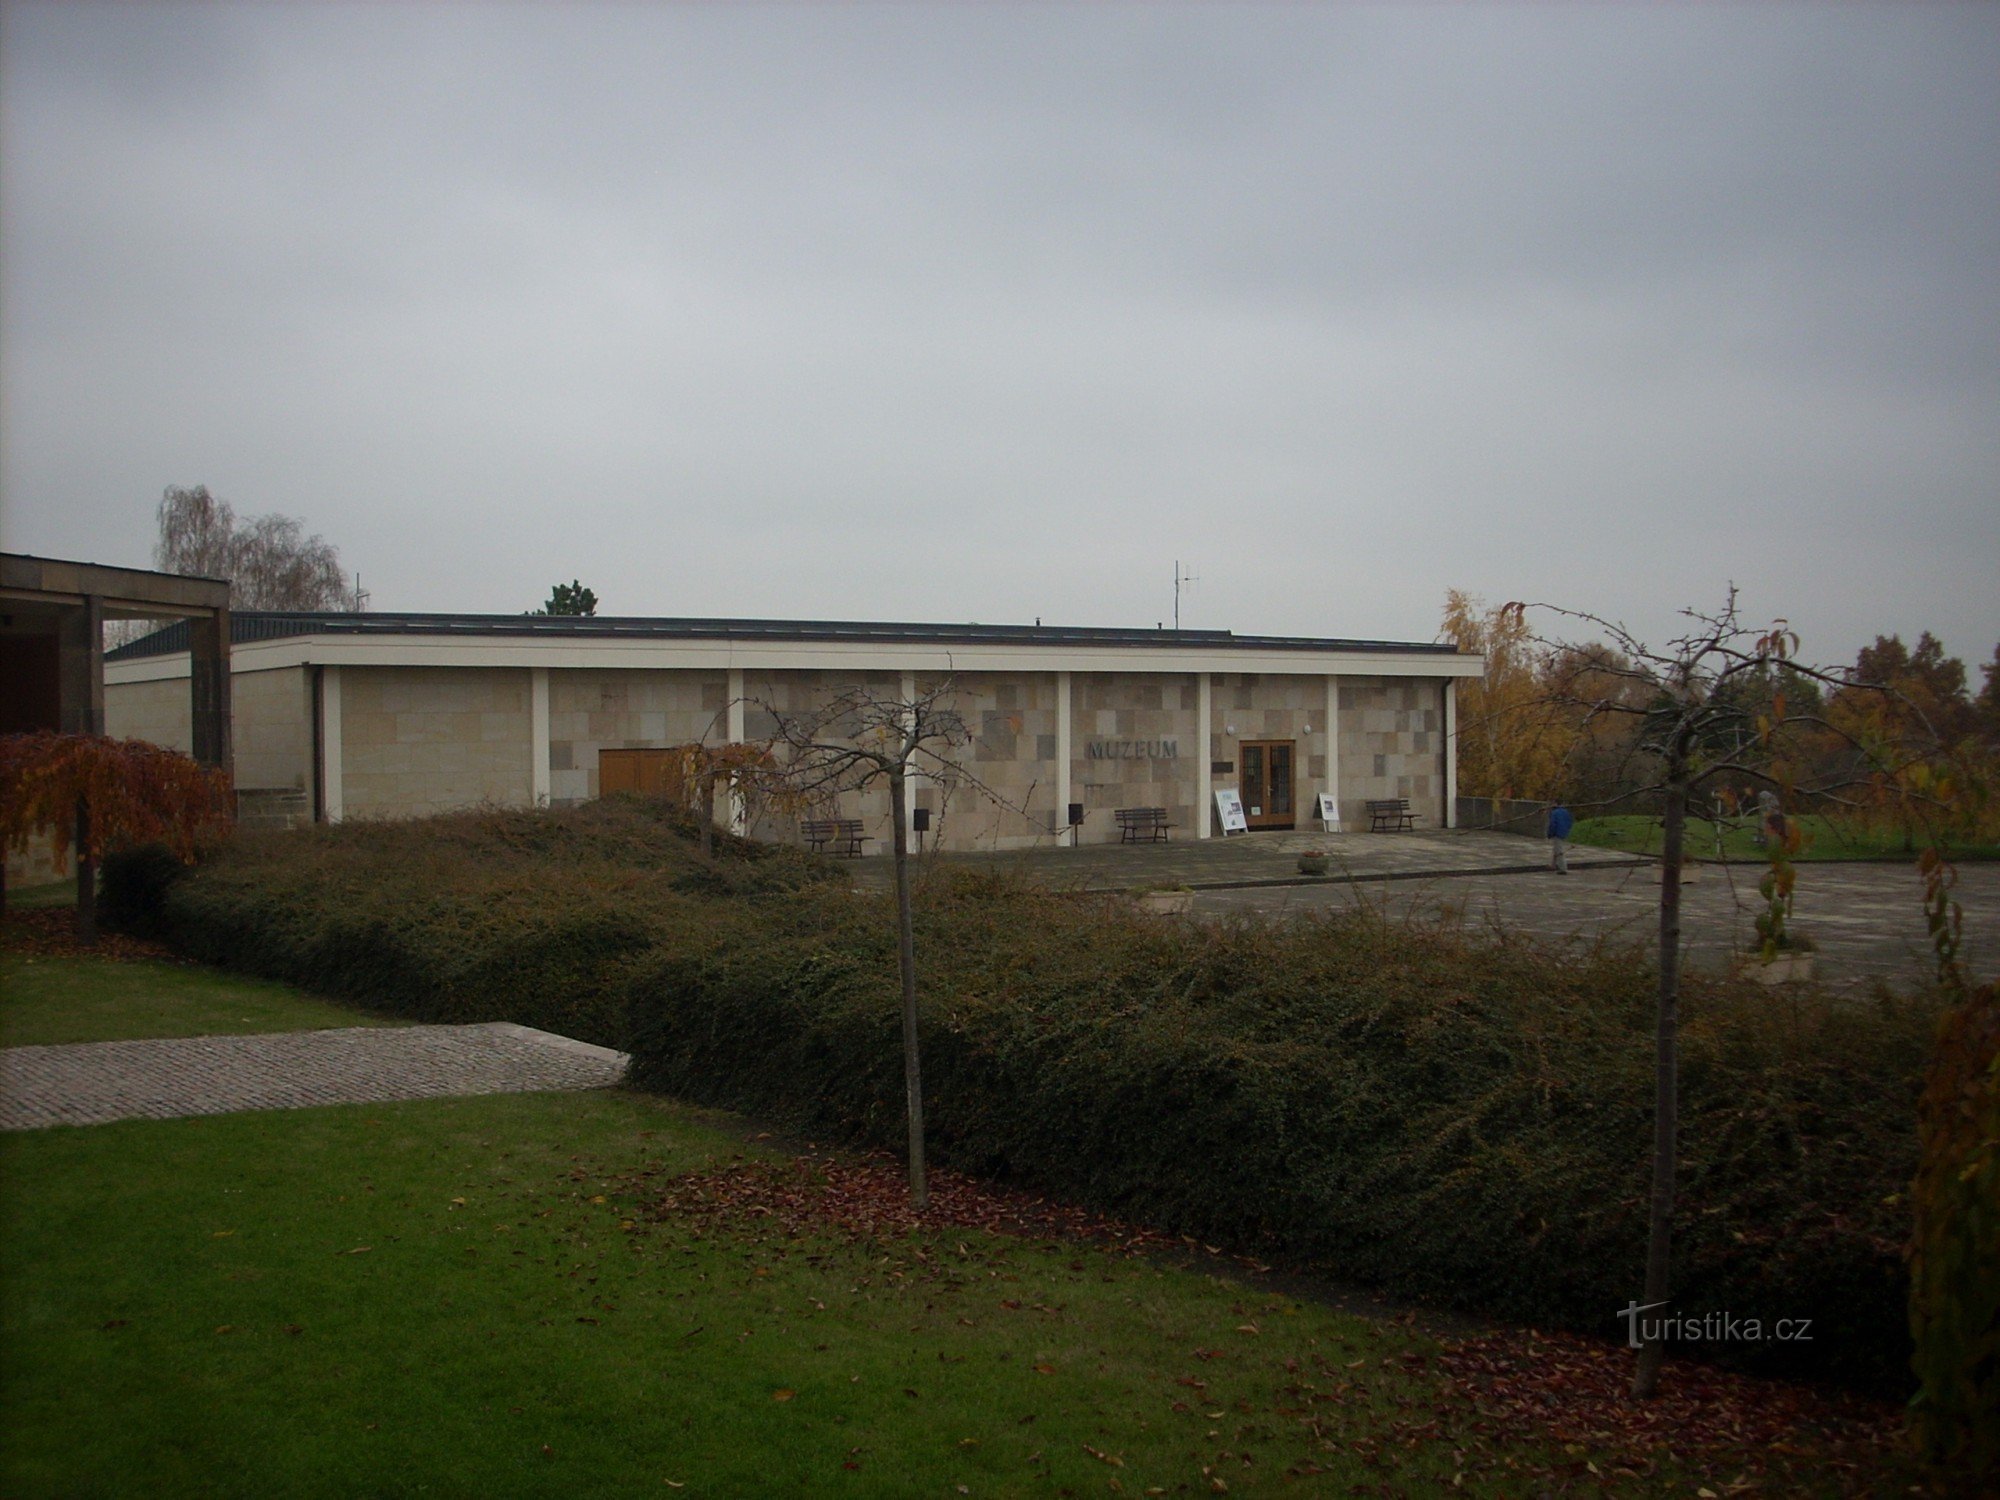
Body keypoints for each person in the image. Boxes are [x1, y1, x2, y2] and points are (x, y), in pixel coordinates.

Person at [1547, 801, 1574, 874]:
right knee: (1556, 849)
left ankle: (1563, 868)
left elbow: (1552, 824)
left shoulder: (1554, 813)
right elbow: (1570, 822)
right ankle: (1552, 865)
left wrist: (1550, 834)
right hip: (1564, 832)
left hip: (1557, 833)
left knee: (1559, 850)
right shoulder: (1565, 812)